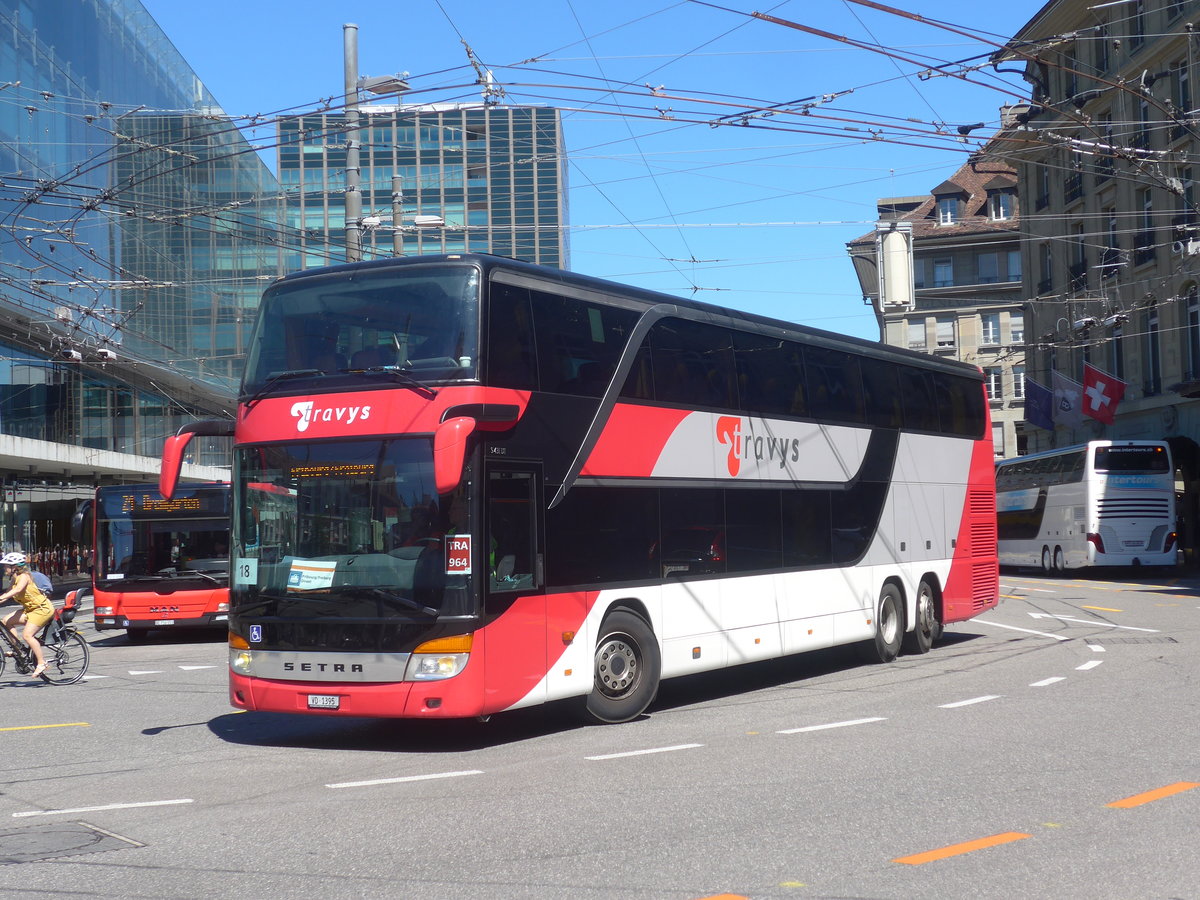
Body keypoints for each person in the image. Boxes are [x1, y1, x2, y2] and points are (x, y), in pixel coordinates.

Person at [0, 551, 53, 677]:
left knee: (27, 635)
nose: (4, 568)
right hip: (30, 609)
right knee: (6, 621)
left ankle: (41, 662)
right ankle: (17, 650)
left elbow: (17, 590)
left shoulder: (24, 576)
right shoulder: (14, 578)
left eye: (6, 566)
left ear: (14, 567)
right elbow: (8, 593)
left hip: (41, 609)